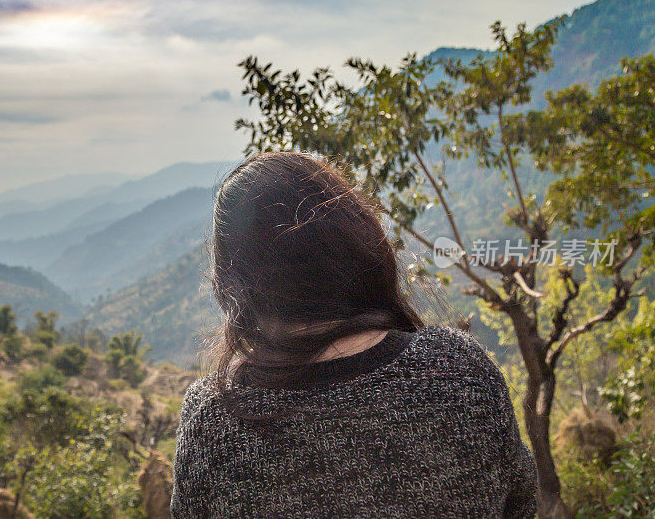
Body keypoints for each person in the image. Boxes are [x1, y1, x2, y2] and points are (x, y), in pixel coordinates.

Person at [171, 152, 537, 518]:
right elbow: (520, 504)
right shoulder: (459, 371)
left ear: (234, 285)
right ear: (358, 244)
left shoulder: (215, 422)